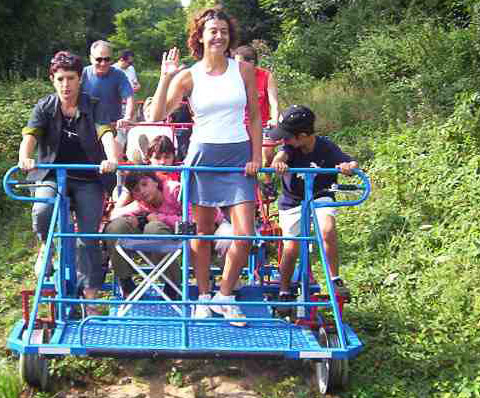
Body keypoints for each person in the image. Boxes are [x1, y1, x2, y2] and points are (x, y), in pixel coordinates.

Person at [149, 7, 262, 327]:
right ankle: (202, 297)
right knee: (201, 232)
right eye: (212, 30)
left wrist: (257, 157)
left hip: (238, 157)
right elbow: (157, 114)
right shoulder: (189, 75)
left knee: (245, 234)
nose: (219, 36)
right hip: (202, 158)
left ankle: (224, 295)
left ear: (230, 36)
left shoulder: (243, 70)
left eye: (224, 31)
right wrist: (165, 76)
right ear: (200, 35)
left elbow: (254, 116)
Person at [18, 51, 120, 314]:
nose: (66, 85)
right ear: (53, 79)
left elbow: (106, 133)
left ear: (79, 80)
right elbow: (30, 135)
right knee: (43, 209)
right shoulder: (45, 106)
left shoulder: (93, 105)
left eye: (71, 78)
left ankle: (90, 298)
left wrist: (111, 158)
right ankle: (45, 246)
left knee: (87, 237)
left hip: (88, 177)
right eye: (60, 79)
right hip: (53, 174)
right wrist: (25, 157)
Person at [268, 105, 357, 312]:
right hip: (293, 201)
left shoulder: (326, 147)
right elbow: (279, 157)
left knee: (327, 229)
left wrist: (348, 167)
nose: (284, 141)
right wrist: (278, 163)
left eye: (287, 137)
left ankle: (335, 278)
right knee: (291, 247)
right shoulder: (289, 148)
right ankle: (284, 289)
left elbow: (349, 161)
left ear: (303, 136)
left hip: (320, 195)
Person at [105, 171, 182, 300]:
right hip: (153, 240)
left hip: (181, 236)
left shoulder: (175, 190)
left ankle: (172, 285)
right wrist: (141, 218)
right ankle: (126, 283)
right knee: (116, 227)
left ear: (156, 182)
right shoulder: (142, 203)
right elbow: (113, 215)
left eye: (145, 184)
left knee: (154, 227)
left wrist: (158, 218)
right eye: (136, 190)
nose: (142, 191)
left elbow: (193, 220)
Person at [234, 45, 279, 200]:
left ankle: (267, 181)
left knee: (268, 152)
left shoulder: (266, 76)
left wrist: (275, 118)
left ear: (251, 63)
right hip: (241, 124)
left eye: (240, 63)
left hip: (263, 121)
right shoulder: (233, 78)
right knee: (242, 158)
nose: (237, 67)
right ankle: (249, 190)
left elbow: (273, 101)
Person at [81, 40, 135, 157]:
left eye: (107, 59)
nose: (103, 63)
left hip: (113, 126)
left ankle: (118, 174)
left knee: (116, 157)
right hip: (88, 127)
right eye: (99, 59)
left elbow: (129, 97)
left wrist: (127, 117)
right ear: (91, 58)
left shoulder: (119, 75)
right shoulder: (83, 74)